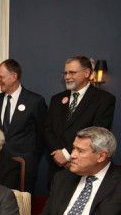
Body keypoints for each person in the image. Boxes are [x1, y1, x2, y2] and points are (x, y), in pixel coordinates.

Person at [43, 56, 115, 185]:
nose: (67, 77)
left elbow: (98, 133)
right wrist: (58, 154)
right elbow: (48, 129)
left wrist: (67, 154)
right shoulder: (57, 99)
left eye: (72, 72)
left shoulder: (104, 99)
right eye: (65, 73)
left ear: (87, 73)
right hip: (57, 168)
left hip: (85, 167)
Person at [0, 59, 47, 193]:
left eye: (1, 77)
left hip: (25, 163)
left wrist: (31, 155)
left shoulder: (34, 101)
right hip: (1, 163)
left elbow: (42, 133)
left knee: (23, 203)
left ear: (14, 76)